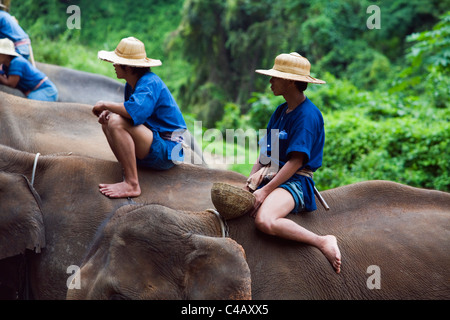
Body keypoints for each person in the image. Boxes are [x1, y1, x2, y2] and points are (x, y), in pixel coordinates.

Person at [247, 52, 341, 273]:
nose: (270, 82)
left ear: (290, 81)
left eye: (275, 77)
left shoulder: (308, 115)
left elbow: (296, 161)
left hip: (295, 182)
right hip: (272, 174)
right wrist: (249, 183)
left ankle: (322, 240)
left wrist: (264, 191)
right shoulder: (280, 111)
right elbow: (265, 155)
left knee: (265, 221)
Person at [92, 37, 187, 198]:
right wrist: (110, 111)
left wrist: (105, 104)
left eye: (117, 62)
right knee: (109, 120)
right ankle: (128, 167)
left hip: (169, 149)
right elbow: (132, 114)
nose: (114, 65)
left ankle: (132, 184)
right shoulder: (131, 84)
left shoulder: (149, 83)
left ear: (128, 67)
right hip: (153, 140)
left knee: (116, 122)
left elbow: (133, 112)